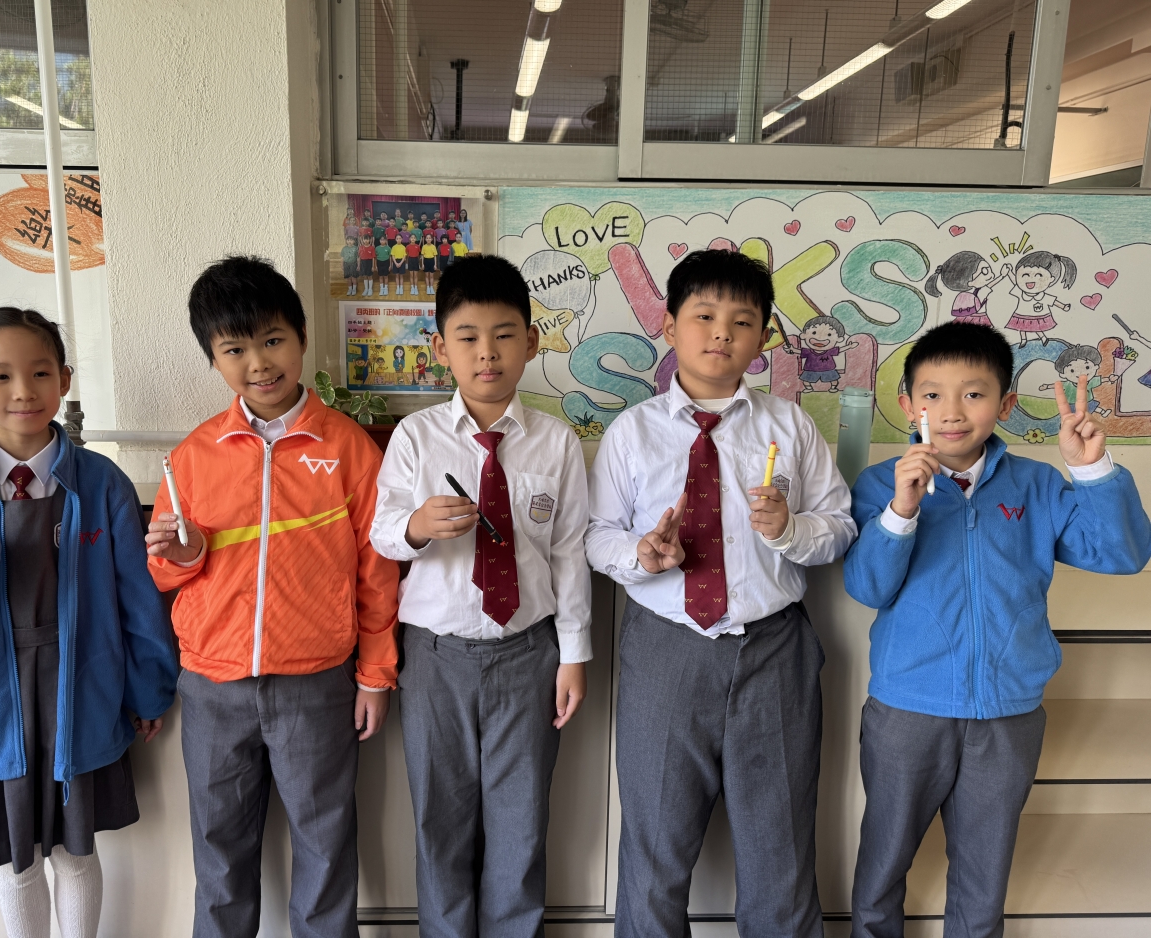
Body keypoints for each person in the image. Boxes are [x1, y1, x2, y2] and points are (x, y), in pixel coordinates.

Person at [843, 320, 1151, 938]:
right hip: (908, 710)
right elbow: (867, 587)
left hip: (1009, 712)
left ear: (1006, 404)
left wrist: (1092, 469)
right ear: (907, 404)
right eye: (933, 394)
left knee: (984, 874)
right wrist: (903, 509)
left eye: (974, 394)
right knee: (884, 861)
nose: (953, 411)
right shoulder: (881, 483)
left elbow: (1122, 554)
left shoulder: (1036, 484)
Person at [586, 248, 856, 938]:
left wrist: (790, 529)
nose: (721, 334)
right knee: (654, 847)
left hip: (774, 651)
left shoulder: (790, 427)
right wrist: (641, 554)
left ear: (763, 338)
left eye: (741, 321)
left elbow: (838, 528)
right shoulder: (633, 432)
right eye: (703, 316)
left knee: (780, 847)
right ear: (670, 326)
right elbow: (596, 535)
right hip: (665, 651)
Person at [0, 307, 178, 938]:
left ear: (64, 379)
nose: (23, 391)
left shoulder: (101, 483)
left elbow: (138, 598)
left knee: (77, 851)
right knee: (16, 858)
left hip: (83, 686)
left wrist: (148, 689)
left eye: (41, 372)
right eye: (0, 376)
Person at [145, 256, 399, 938]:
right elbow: (166, 573)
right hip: (213, 685)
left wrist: (375, 675)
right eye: (235, 349)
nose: (258, 362)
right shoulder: (193, 455)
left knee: (325, 845)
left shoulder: (348, 449)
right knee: (219, 852)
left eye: (273, 340)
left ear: (302, 338)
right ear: (213, 358)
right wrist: (181, 557)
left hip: (317, 682)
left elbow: (378, 571)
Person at [371, 254, 591, 938]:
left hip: (528, 654)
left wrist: (573, 655)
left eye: (503, 335)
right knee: (441, 819)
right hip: (435, 658)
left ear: (531, 341)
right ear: (441, 348)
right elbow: (381, 533)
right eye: (467, 337)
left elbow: (569, 553)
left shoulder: (556, 442)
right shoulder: (416, 437)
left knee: (521, 822)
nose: (486, 352)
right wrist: (416, 525)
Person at [1004, 250, 1075, 347]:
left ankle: (1043, 338)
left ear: (1051, 279)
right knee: (1022, 328)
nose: (1030, 279)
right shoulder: (1021, 292)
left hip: (1037, 315)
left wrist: (1063, 306)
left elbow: (1053, 301)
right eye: (1025, 275)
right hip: (1021, 314)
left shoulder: (1042, 296)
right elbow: (1014, 282)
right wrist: (1009, 273)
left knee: (1037, 327)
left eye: (1039, 275)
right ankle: (1023, 340)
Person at [924, 250, 1007, 327]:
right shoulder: (970, 296)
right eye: (985, 271)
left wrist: (1002, 275)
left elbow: (989, 286)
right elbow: (989, 287)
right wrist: (1002, 276)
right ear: (969, 281)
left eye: (989, 269)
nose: (991, 274)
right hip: (977, 321)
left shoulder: (968, 294)